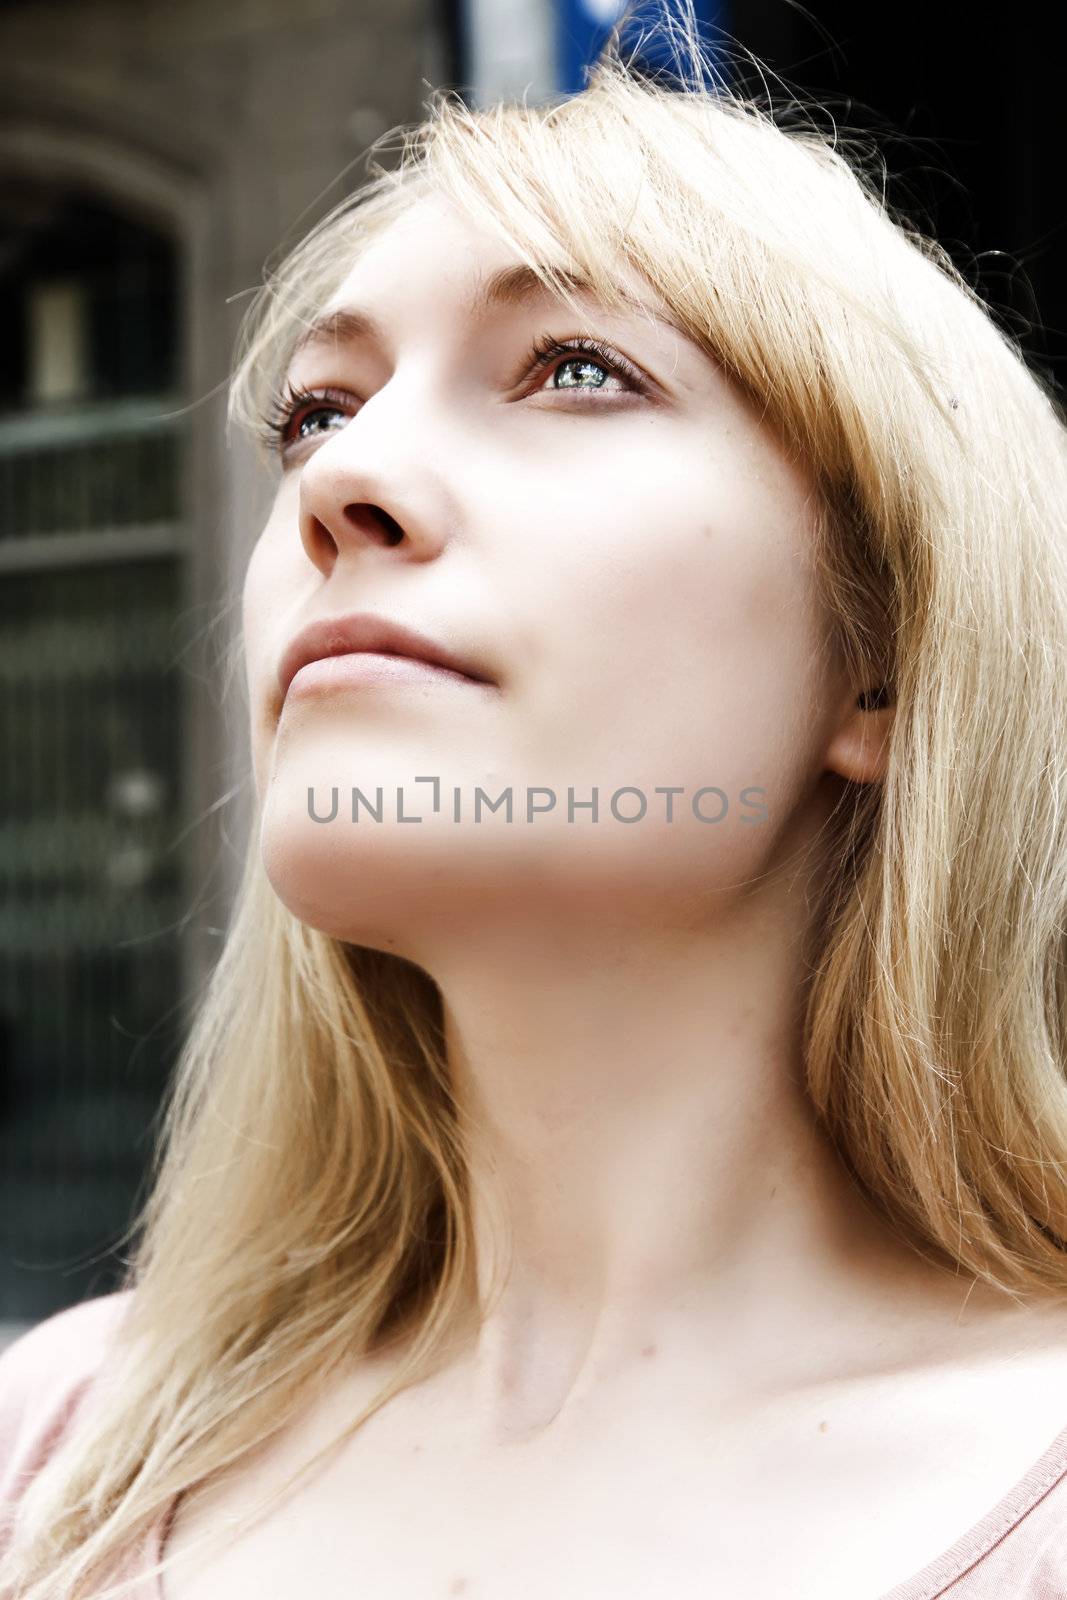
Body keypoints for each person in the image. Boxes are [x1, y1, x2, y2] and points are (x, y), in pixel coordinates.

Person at [4, 6, 1067, 1597]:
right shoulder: (58, 1446)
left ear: (888, 659)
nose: (337, 485)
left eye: (577, 368)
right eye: (319, 407)